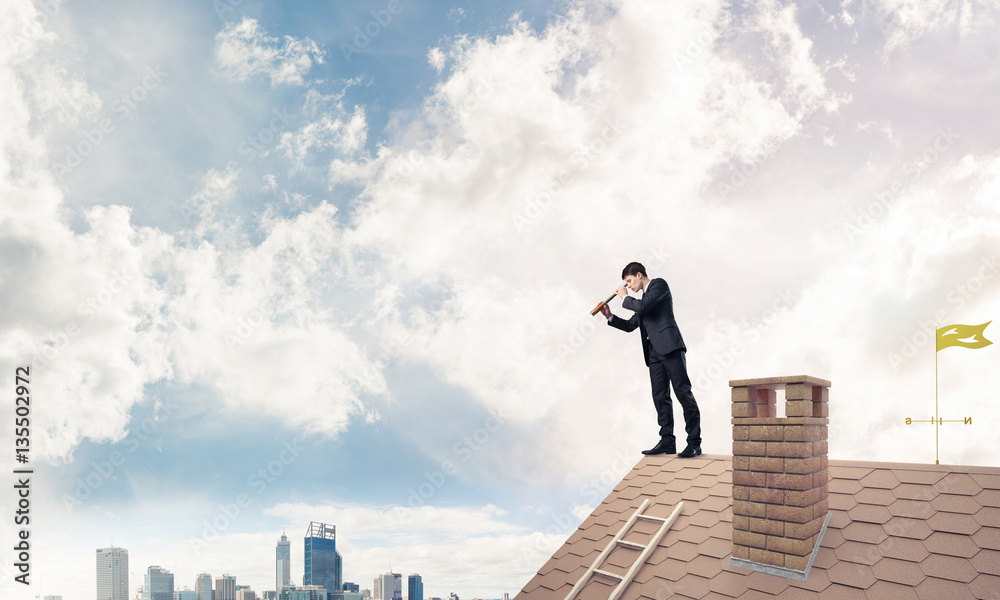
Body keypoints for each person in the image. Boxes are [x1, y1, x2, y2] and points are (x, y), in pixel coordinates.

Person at [600, 262, 702, 457]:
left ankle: (694, 443)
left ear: (639, 275)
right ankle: (667, 441)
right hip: (653, 353)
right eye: (626, 283)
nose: (628, 285)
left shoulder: (658, 286)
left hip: (670, 347)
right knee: (660, 397)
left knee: (683, 393)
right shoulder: (642, 302)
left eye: (629, 281)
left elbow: (643, 305)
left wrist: (624, 298)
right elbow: (631, 325)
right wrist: (610, 316)